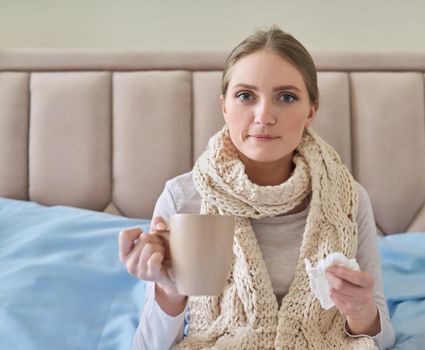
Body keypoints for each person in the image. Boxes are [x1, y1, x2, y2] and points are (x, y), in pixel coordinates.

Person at [119, 26, 396, 350]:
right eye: (246, 96)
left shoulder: (349, 201)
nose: (264, 115)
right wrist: (168, 293)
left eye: (286, 97)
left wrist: (362, 313)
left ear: (311, 111)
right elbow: (146, 346)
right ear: (224, 107)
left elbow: (385, 338)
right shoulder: (182, 199)